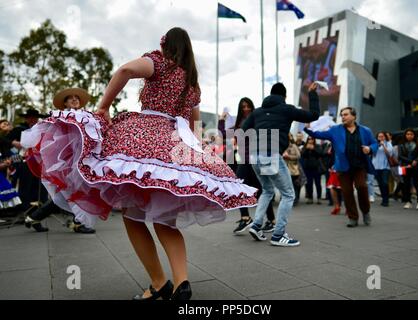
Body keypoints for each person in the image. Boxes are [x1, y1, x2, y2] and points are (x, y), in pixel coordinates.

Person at [21, 27, 257, 300]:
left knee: (133, 215)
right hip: (174, 144)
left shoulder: (158, 62)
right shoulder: (192, 83)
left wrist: (104, 106)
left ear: (166, 45)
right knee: (166, 221)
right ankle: (182, 282)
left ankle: (158, 282)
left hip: (142, 138)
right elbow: (192, 126)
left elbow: (124, 71)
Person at [242, 82, 320, 247]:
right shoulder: (286, 109)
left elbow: (243, 128)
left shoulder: (258, 112)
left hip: (255, 156)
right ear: (284, 96)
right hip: (271, 154)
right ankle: (278, 235)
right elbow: (313, 115)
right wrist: (312, 94)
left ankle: (256, 225)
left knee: (267, 190)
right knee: (288, 194)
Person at [24, 87, 96, 233]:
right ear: (65, 103)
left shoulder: (88, 116)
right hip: (67, 162)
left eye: (77, 97)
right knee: (73, 192)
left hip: (86, 160)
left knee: (68, 195)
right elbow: (42, 134)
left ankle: (34, 217)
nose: (75, 99)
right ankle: (79, 223)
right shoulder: (59, 116)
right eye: (70, 98)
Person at [304, 107, 378, 228]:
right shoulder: (335, 130)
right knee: (347, 192)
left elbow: (374, 143)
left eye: (346, 114)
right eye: (342, 115)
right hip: (343, 167)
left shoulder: (365, 130)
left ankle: (365, 212)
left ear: (354, 116)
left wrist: (369, 149)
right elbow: (318, 134)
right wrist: (307, 127)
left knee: (362, 187)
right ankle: (353, 217)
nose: (343, 117)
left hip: (360, 166)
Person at [219, 98, 275, 234]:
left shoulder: (257, 121)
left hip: (256, 159)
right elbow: (222, 134)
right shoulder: (238, 124)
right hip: (244, 161)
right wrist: (221, 119)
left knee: (261, 190)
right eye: (243, 107)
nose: (246, 109)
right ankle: (247, 217)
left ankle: (271, 220)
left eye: (248, 106)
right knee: (242, 188)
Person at [398, 128, 418, 210]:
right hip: (406, 166)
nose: (409, 136)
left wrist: (416, 161)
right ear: (405, 135)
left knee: (417, 184)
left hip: (416, 166)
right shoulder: (401, 144)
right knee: (406, 184)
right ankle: (408, 201)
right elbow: (400, 156)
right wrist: (411, 162)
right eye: (408, 134)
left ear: (414, 135)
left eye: (411, 134)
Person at [372, 132, 393, 207]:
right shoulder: (374, 144)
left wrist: (383, 146)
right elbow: (372, 154)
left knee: (385, 182)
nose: (381, 138)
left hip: (385, 167)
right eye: (379, 136)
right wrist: (377, 146)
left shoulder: (388, 143)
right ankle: (383, 198)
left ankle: (386, 200)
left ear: (385, 137)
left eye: (382, 136)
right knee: (380, 183)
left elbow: (389, 154)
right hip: (376, 166)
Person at [301, 136, 324, 205]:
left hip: (316, 168)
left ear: (314, 140)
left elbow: (320, 154)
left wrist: (313, 149)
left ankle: (319, 198)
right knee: (309, 184)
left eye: (312, 139)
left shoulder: (317, 146)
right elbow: (302, 155)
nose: (310, 141)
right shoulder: (305, 147)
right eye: (309, 139)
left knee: (318, 184)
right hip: (308, 168)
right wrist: (307, 149)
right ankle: (310, 198)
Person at [283, 133, 301, 206]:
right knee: (284, 186)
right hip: (283, 169)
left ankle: (294, 200)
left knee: (293, 185)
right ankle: (284, 199)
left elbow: (298, 156)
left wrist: (289, 157)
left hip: (292, 169)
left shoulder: (293, 146)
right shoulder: (281, 146)